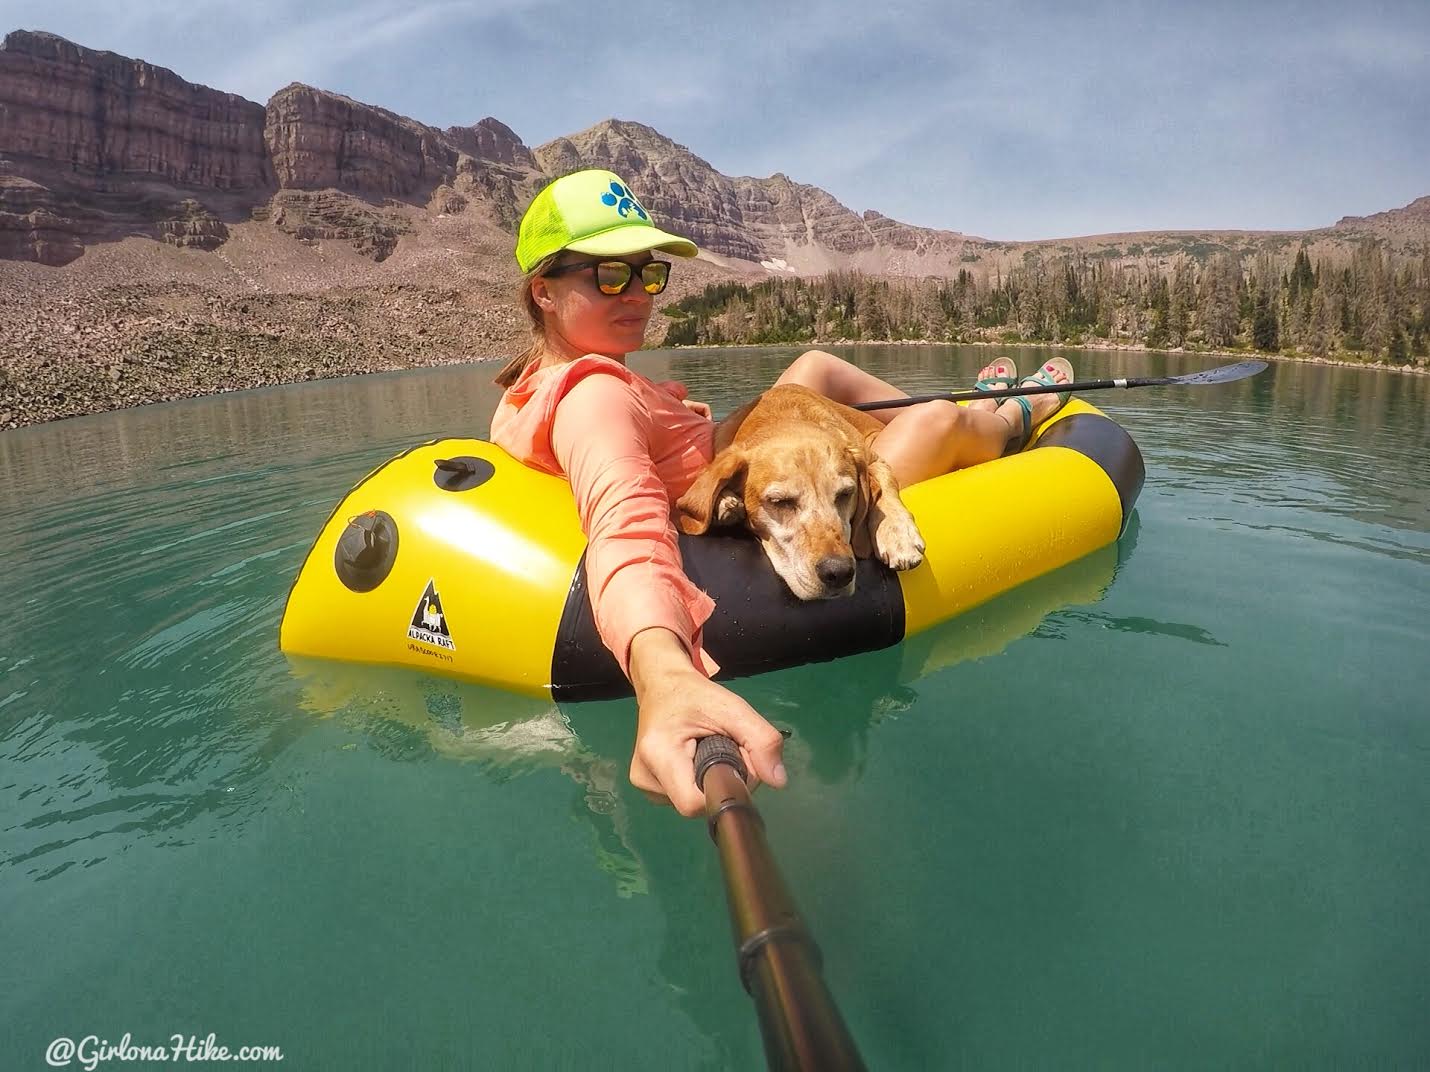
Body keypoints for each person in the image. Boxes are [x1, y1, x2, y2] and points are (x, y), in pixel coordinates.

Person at [489, 169, 1072, 817]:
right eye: (610, 276)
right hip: (766, 481)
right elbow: (621, 523)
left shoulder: (552, 380)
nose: (639, 295)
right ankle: (1013, 415)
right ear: (543, 291)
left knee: (814, 368)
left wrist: (701, 428)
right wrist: (664, 676)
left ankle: (950, 409)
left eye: (648, 275)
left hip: (753, 449)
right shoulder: (594, 397)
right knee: (937, 425)